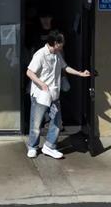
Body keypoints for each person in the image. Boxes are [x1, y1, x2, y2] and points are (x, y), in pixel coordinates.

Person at [25, 30, 91, 159]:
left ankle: (49, 147)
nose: (63, 45)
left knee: (56, 122)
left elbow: (64, 67)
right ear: (55, 43)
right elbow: (29, 72)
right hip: (40, 94)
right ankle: (32, 146)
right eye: (61, 43)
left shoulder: (57, 54)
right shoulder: (40, 55)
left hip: (54, 94)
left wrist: (80, 73)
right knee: (36, 123)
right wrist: (41, 84)